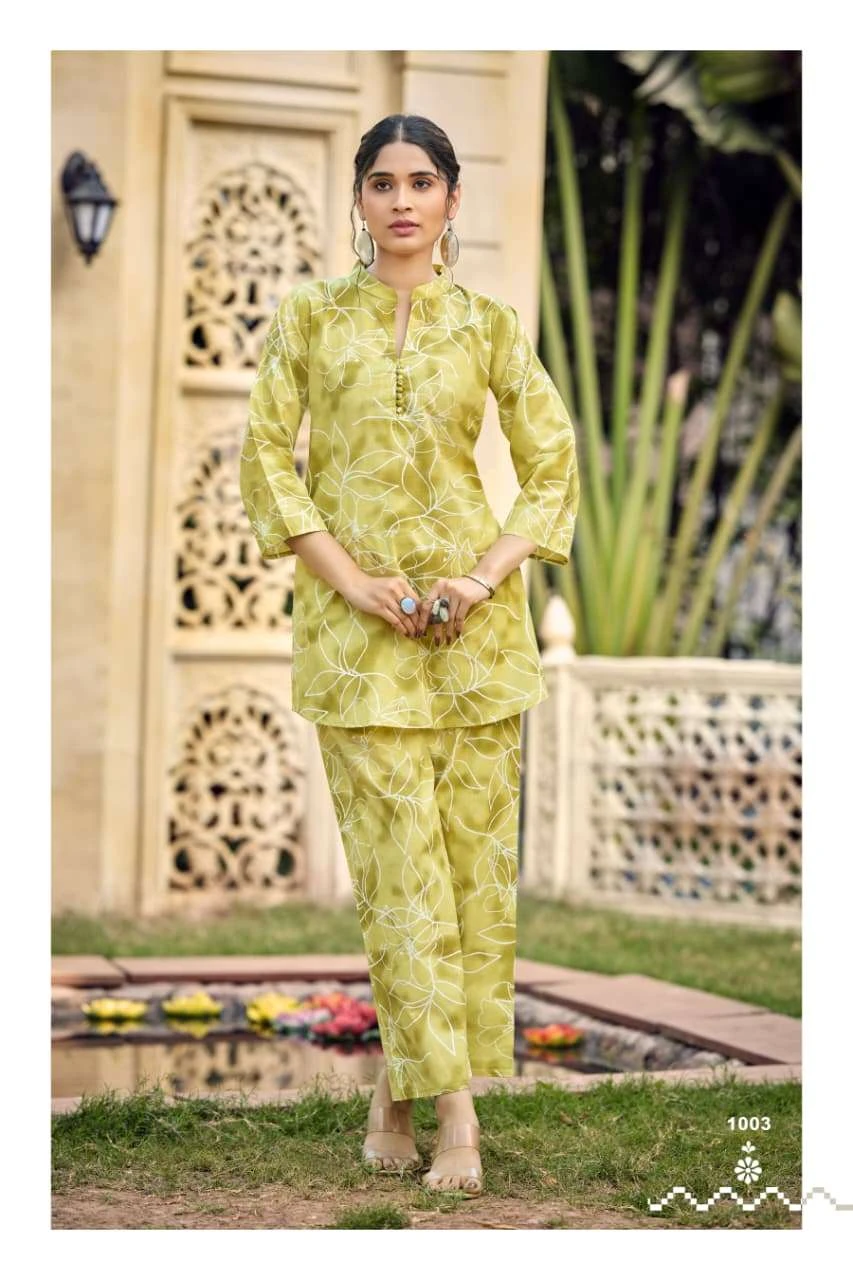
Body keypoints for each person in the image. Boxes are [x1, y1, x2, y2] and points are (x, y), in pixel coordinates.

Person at [239, 113, 580, 1197]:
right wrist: (350, 581)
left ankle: (396, 1090)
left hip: (474, 641)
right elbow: (266, 458)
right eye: (382, 182)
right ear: (357, 198)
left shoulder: (487, 326)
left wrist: (482, 577)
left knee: (470, 881)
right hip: (357, 646)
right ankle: (457, 1118)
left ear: (451, 199)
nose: (400, 200)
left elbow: (553, 462)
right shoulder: (309, 317)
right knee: (401, 880)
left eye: (420, 182)